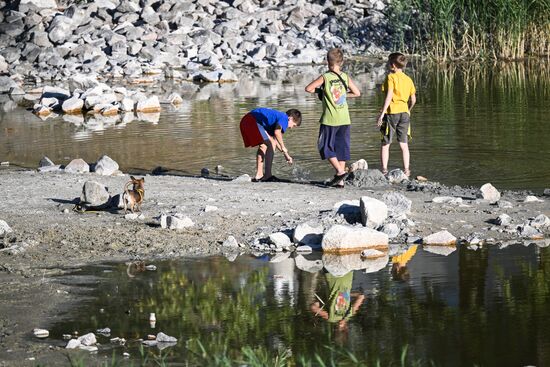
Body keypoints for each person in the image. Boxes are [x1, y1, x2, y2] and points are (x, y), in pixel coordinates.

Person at [305, 48, 361, 188]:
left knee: (324, 146)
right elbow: (357, 93)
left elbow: (308, 89)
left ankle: (340, 172)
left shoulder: (326, 77)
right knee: (341, 149)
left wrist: (322, 92)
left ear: (327, 62)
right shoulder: (345, 77)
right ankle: (340, 182)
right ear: (341, 62)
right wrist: (343, 96)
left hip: (330, 119)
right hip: (345, 119)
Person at [377, 52, 416, 177]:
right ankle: (407, 170)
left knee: (385, 143)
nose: (388, 65)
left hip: (392, 113)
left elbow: (389, 96)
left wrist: (382, 113)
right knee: (404, 144)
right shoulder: (408, 79)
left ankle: (384, 170)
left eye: (388, 63)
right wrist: (408, 109)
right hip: (404, 113)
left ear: (393, 65)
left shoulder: (391, 77)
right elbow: (413, 99)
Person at [239, 107, 302, 182]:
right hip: (251, 121)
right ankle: (268, 175)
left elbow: (275, 140)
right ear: (290, 118)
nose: (291, 128)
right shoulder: (284, 117)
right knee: (270, 143)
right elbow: (277, 133)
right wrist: (283, 147)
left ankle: (259, 175)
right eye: (293, 125)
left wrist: (286, 155)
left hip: (246, 121)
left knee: (264, 145)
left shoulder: (277, 119)